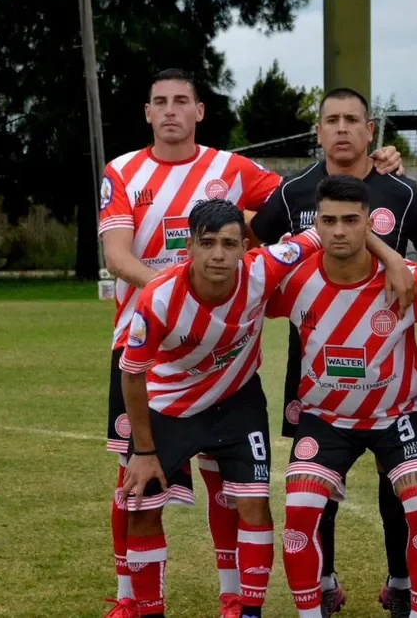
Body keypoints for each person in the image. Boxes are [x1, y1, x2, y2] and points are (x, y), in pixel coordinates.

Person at [99, 69, 283, 618]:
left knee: (228, 477)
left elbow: (293, 207)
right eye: (161, 102)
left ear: (200, 111)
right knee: (135, 477)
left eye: (183, 101)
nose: (172, 110)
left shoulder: (232, 168)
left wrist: (373, 173)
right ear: (148, 112)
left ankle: (235, 595)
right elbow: (117, 254)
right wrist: (174, 290)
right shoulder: (123, 171)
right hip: (146, 343)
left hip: (220, 347)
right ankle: (130, 597)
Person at [248, 87, 417, 618]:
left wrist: (396, 261)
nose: (343, 128)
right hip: (316, 372)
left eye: (354, 119)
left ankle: (401, 583)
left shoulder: (402, 191)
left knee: (403, 491)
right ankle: (322, 585)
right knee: (315, 491)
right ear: (319, 131)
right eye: (333, 120)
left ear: (371, 130)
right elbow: (258, 254)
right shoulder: (292, 192)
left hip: (390, 380)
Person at [115, 199, 323, 618]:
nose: (218, 255)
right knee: (141, 506)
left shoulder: (263, 269)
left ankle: (246, 611)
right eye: (207, 243)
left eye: (230, 244)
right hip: (170, 404)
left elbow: (323, 233)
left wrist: (393, 259)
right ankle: (150, 610)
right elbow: (132, 375)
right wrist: (143, 450)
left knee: (253, 504)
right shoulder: (159, 298)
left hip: (236, 402)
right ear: (188, 247)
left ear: (244, 247)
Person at [267, 176, 417, 618]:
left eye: (351, 220)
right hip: (324, 418)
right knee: (299, 513)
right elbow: (234, 291)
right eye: (329, 220)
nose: (340, 230)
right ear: (316, 225)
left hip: (397, 415)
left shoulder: (405, 281)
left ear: (370, 223)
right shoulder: (290, 280)